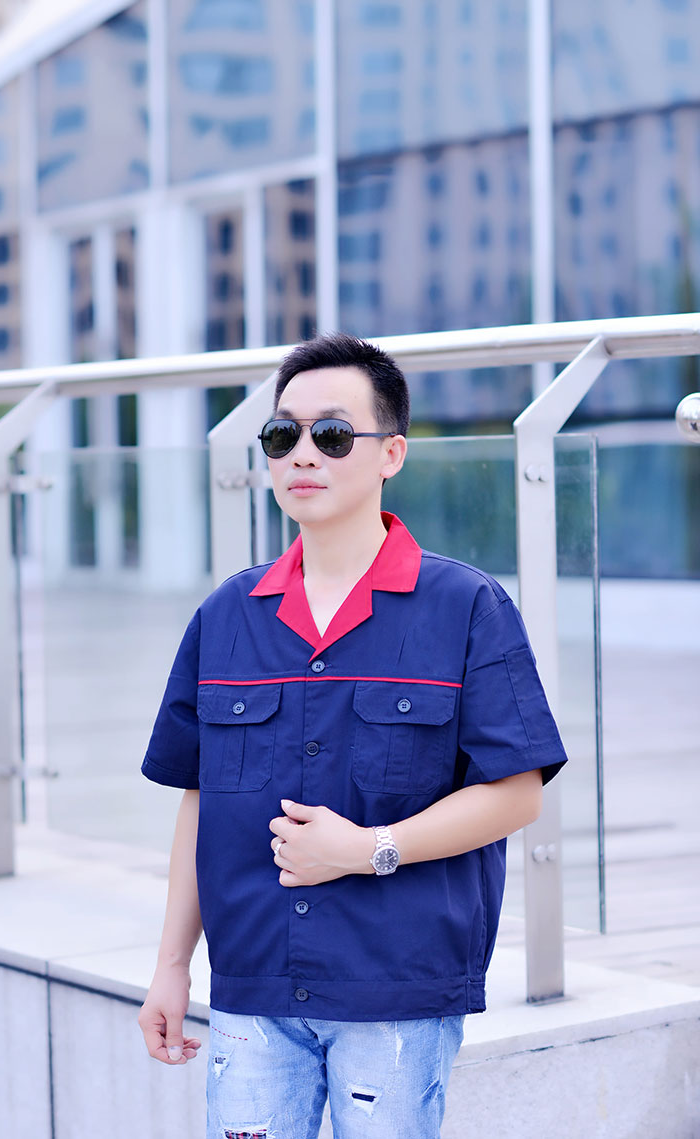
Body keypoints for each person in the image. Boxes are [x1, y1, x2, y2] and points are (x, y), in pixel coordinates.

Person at [138, 331, 567, 1138]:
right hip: (252, 988)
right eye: (282, 434)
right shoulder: (226, 615)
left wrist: (370, 848)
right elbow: (200, 801)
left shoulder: (466, 607)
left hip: (397, 988)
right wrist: (170, 966)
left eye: (332, 434)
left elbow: (517, 794)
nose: (303, 454)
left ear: (391, 453)